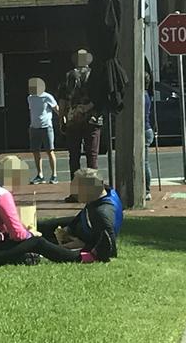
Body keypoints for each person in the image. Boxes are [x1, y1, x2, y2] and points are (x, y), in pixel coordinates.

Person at [0, 156, 113, 267]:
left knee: (28, 240)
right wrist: (32, 235)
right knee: (37, 242)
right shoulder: (2, 195)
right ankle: (85, 257)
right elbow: (17, 235)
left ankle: (25, 257)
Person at [37, 168, 123, 259]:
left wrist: (83, 245)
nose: (74, 193)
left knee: (40, 243)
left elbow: (110, 249)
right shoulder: (103, 193)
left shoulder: (101, 214)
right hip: (83, 225)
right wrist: (70, 228)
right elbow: (86, 211)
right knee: (40, 226)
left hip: (84, 237)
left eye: (78, 190)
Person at [58, 49, 101, 203]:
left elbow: (62, 100)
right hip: (93, 119)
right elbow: (99, 97)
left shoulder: (68, 76)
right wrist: (88, 108)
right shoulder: (95, 75)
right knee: (92, 156)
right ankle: (93, 192)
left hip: (72, 119)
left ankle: (76, 193)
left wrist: (61, 119)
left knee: (74, 157)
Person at [27, 78, 59, 185]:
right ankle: (40, 175)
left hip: (47, 127)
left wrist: (63, 118)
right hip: (34, 128)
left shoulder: (47, 96)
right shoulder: (30, 98)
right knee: (36, 152)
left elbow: (56, 109)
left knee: (50, 151)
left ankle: (54, 175)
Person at [144, 72, 154, 201]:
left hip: (144, 130)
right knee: (144, 161)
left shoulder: (141, 95)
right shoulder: (147, 94)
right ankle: (146, 189)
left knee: (144, 162)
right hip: (147, 129)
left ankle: (147, 190)